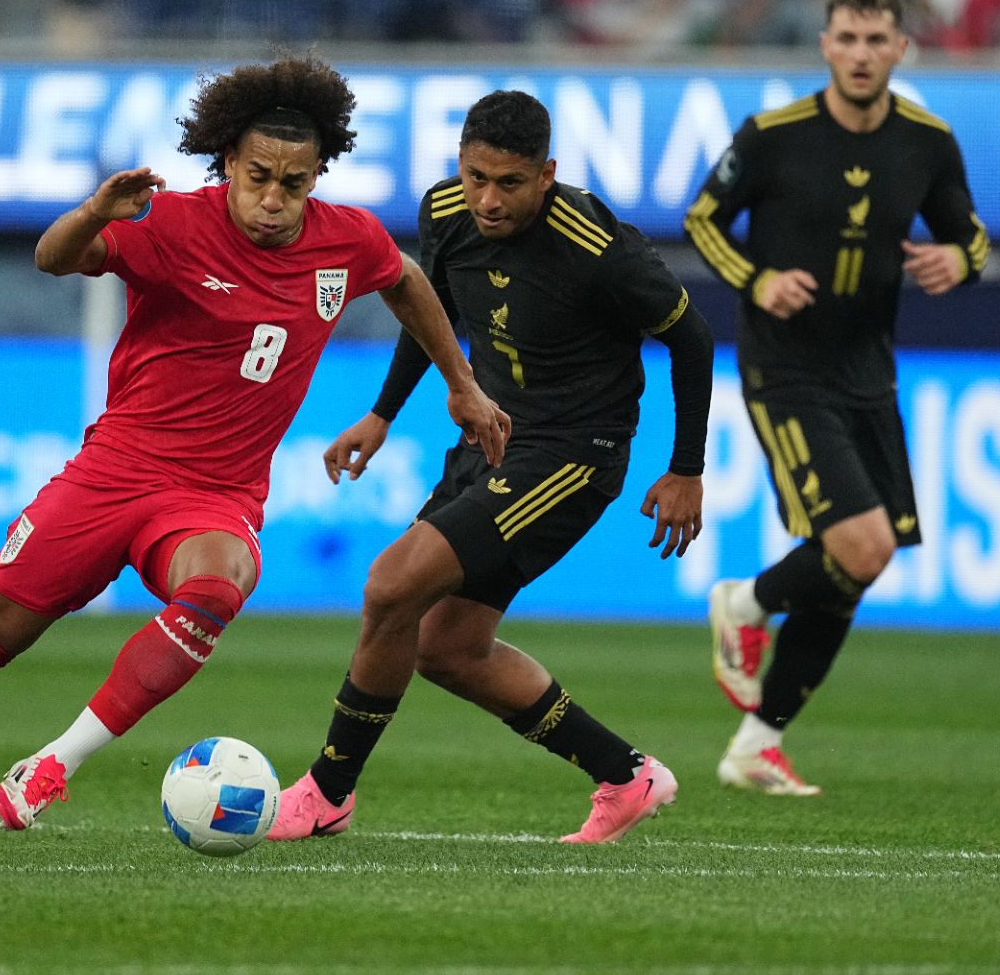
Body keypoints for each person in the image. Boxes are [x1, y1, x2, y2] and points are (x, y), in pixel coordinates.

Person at [0, 57, 510, 863]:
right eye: (259, 178)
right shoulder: (171, 223)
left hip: (215, 494)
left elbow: (408, 280)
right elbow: (52, 258)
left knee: (219, 585)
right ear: (226, 165)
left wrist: (459, 384)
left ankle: (50, 764)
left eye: (295, 182)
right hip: (116, 471)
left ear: (318, 175)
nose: (276, 200)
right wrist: (91, 212)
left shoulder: (345, 239)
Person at [268, 88, 714, 845]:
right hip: (491, 437)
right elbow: (428, 313)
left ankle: (326, 791)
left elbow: (694, 336)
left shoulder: (598, 246)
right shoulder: (445, 212)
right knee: (448, 647)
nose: (488, 199)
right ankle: (626, 774)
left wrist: (686, 469)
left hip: (575, 453)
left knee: (388, 586)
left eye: (509, 183)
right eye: (475, 177)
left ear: (547, 174)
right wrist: (381, 415)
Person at [684, 0, 988, 795]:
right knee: (863, 545)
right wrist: (758, 278)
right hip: (785, 369)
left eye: (876, 39)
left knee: (856, 564)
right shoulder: (774, 136)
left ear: (899, 49)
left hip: (868, 372)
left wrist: (959, 261)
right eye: (847, 37)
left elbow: (970, 235)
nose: (860, 53)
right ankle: (743, 603)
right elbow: (703, 218)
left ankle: (756, 743)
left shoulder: (928, 142)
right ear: (825, 45)